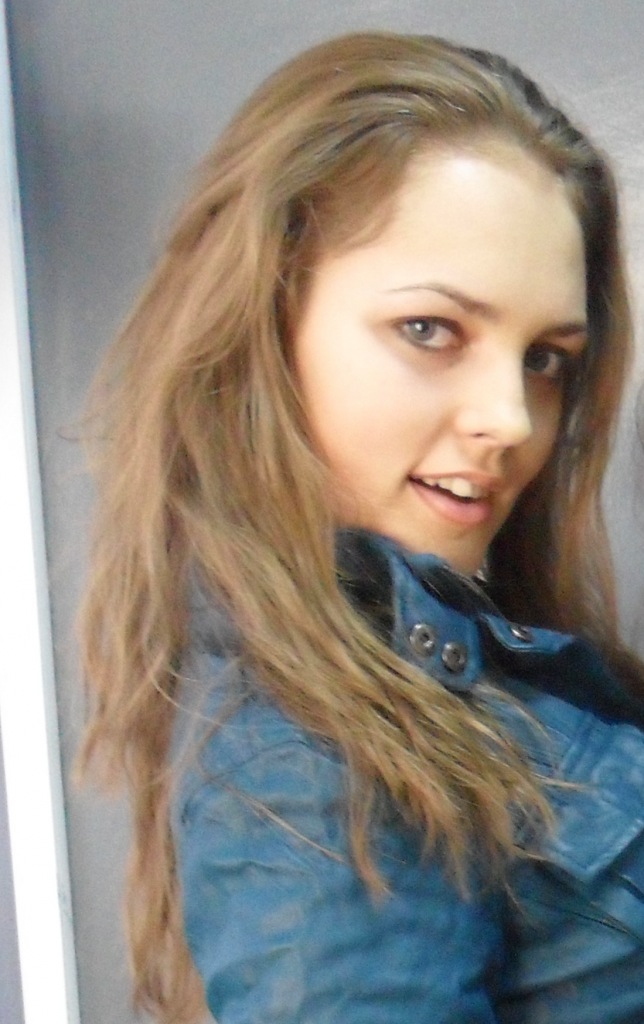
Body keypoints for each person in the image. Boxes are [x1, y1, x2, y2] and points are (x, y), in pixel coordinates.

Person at [79, 31, 644, 1024]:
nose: (511, 421)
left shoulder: (420, 666)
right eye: (430, 330)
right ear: (264, 331)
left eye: (543, 359)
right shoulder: (305, 765)